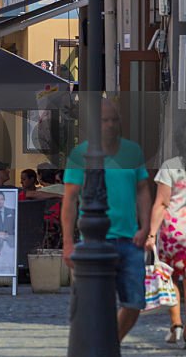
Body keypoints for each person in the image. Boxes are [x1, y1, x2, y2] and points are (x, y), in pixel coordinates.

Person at [62, 98, 151, 343]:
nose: (111, 125)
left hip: (130, 240)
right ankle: (101, 348)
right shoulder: (81, 154)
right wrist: (68, 243)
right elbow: (69, 200)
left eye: (114, 120)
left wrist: (146, 226)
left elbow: (143, 189)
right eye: (105, 121)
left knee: (134, 303)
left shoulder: (132, 151)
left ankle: (109, 345)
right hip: (93, 242)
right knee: (91, 304)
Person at [149, 138, 186, 345]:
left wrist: (151, 234)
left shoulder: (170, 166)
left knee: (171, 279)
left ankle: (176, 325)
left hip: (173, 234)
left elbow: (162, 203)